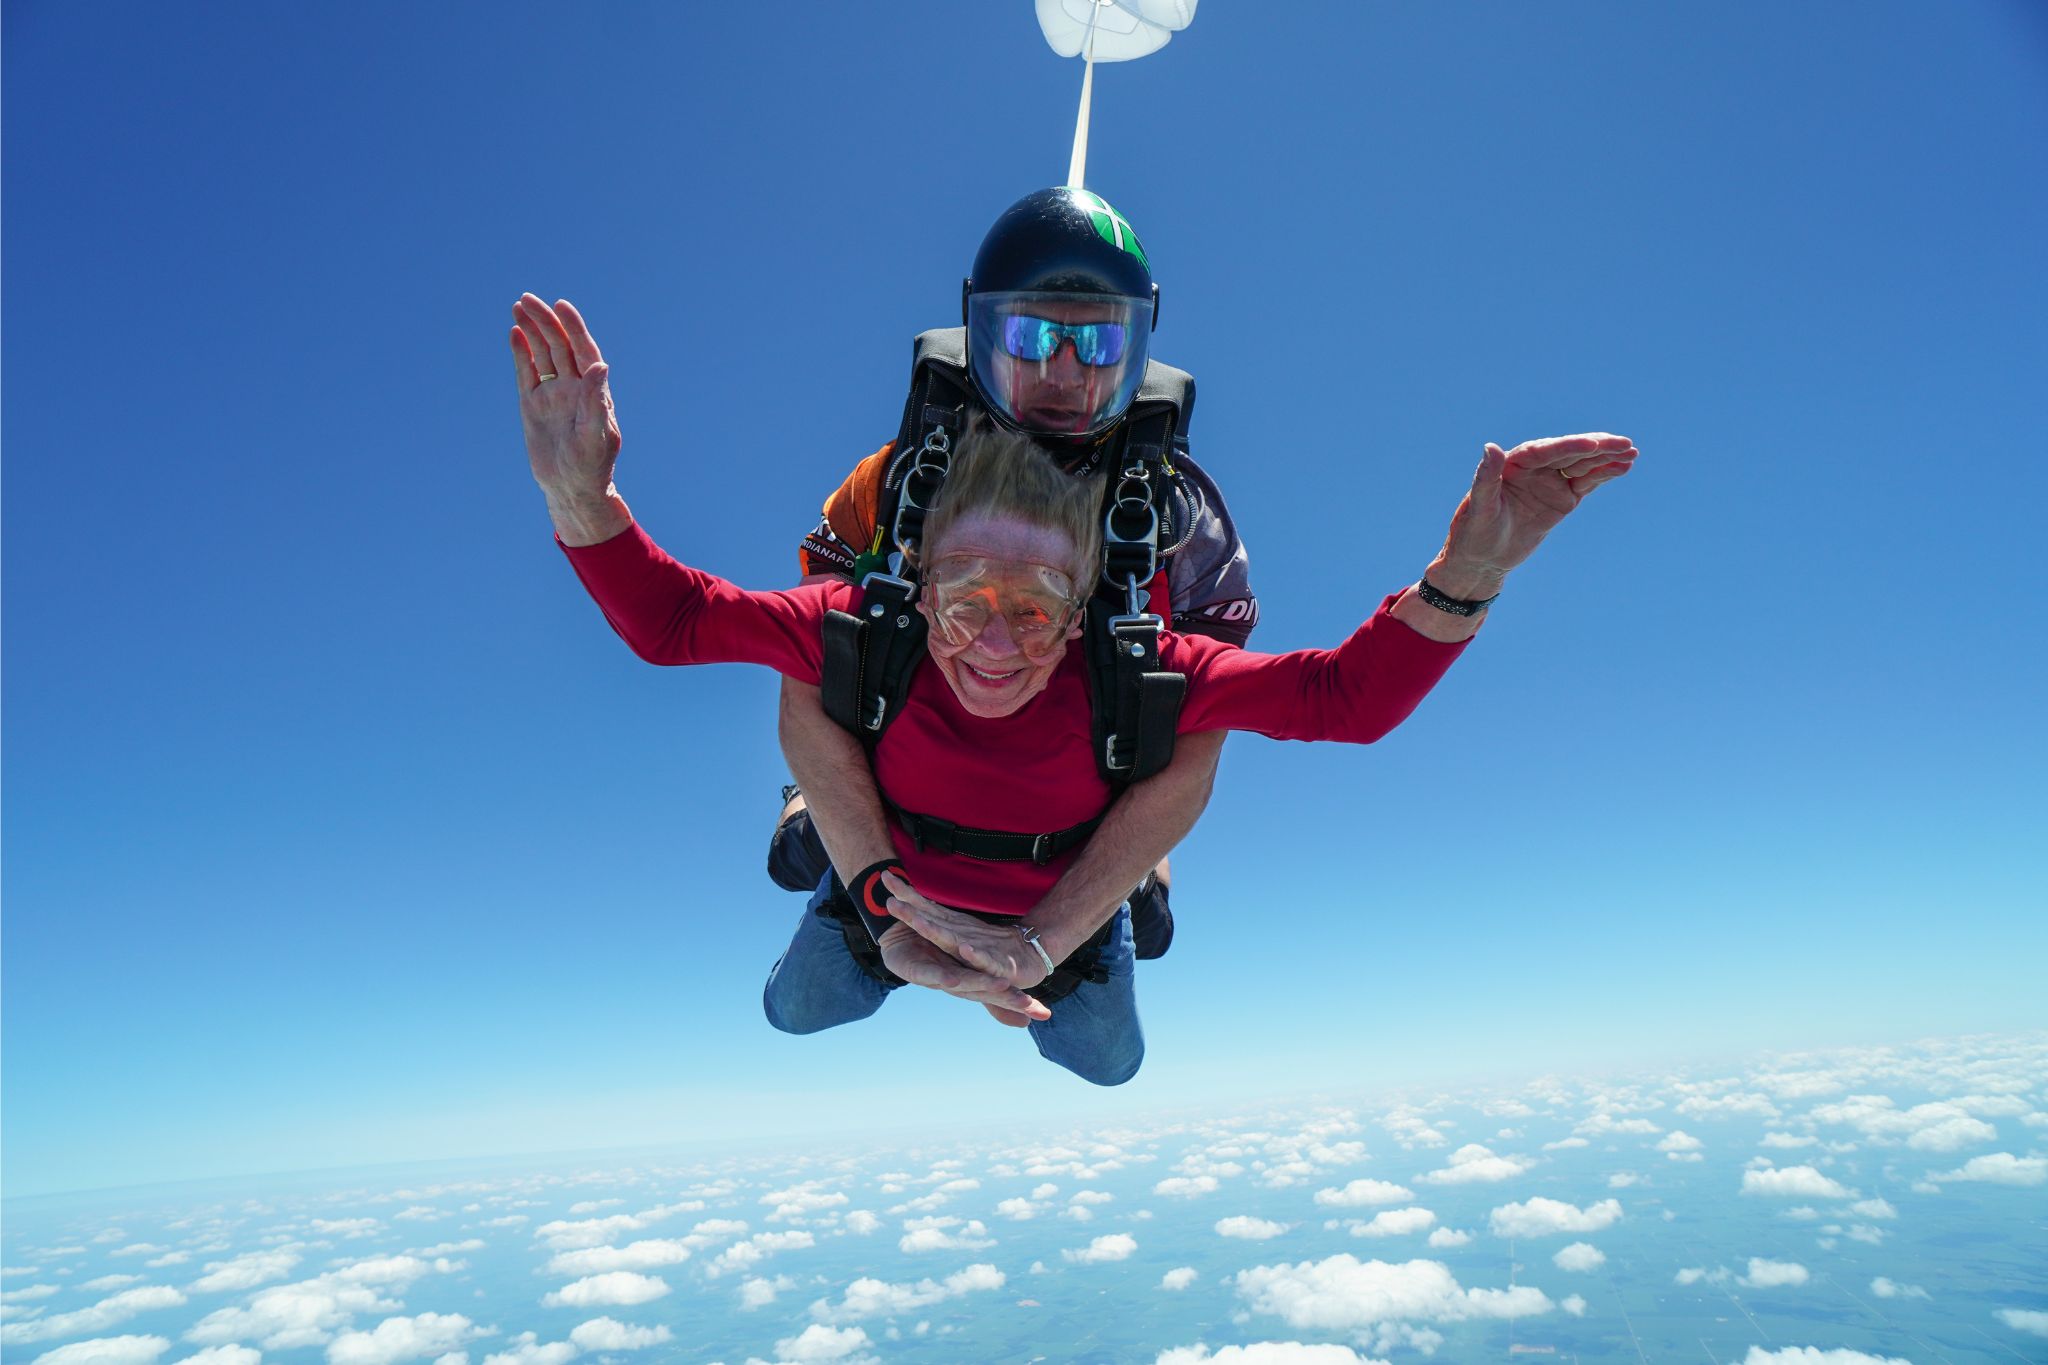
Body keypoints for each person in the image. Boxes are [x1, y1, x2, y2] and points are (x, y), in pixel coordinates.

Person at [510, 294, 1638, 1084]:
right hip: (889, 896)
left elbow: (1344, 701)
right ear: (918, 584)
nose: (992, 643)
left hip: (1062, 915)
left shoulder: (1139, 664)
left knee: (1107, 1065)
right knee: (796, 1010)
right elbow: (671, 622)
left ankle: (1115, 902)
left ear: (1087, 599)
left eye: (1036, 609)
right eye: (962, 603)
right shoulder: (861, 625)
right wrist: (578, 498)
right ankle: (835, 863)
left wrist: (1471, 572)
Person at [769, 187, 1255, 983]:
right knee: (804, 1000)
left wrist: (1125, 865)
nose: (1061, 371)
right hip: (900, 797)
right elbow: (803, 646)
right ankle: (829, 829)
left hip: (1076, 822)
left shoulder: (1179, 521)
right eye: (1031, 334)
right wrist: (844, 834)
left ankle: (1128, 877)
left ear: (1140, 347)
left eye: (1098, 345)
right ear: (981, 332)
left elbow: (1202, 726)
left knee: (1106, 1055)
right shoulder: (895, 485)